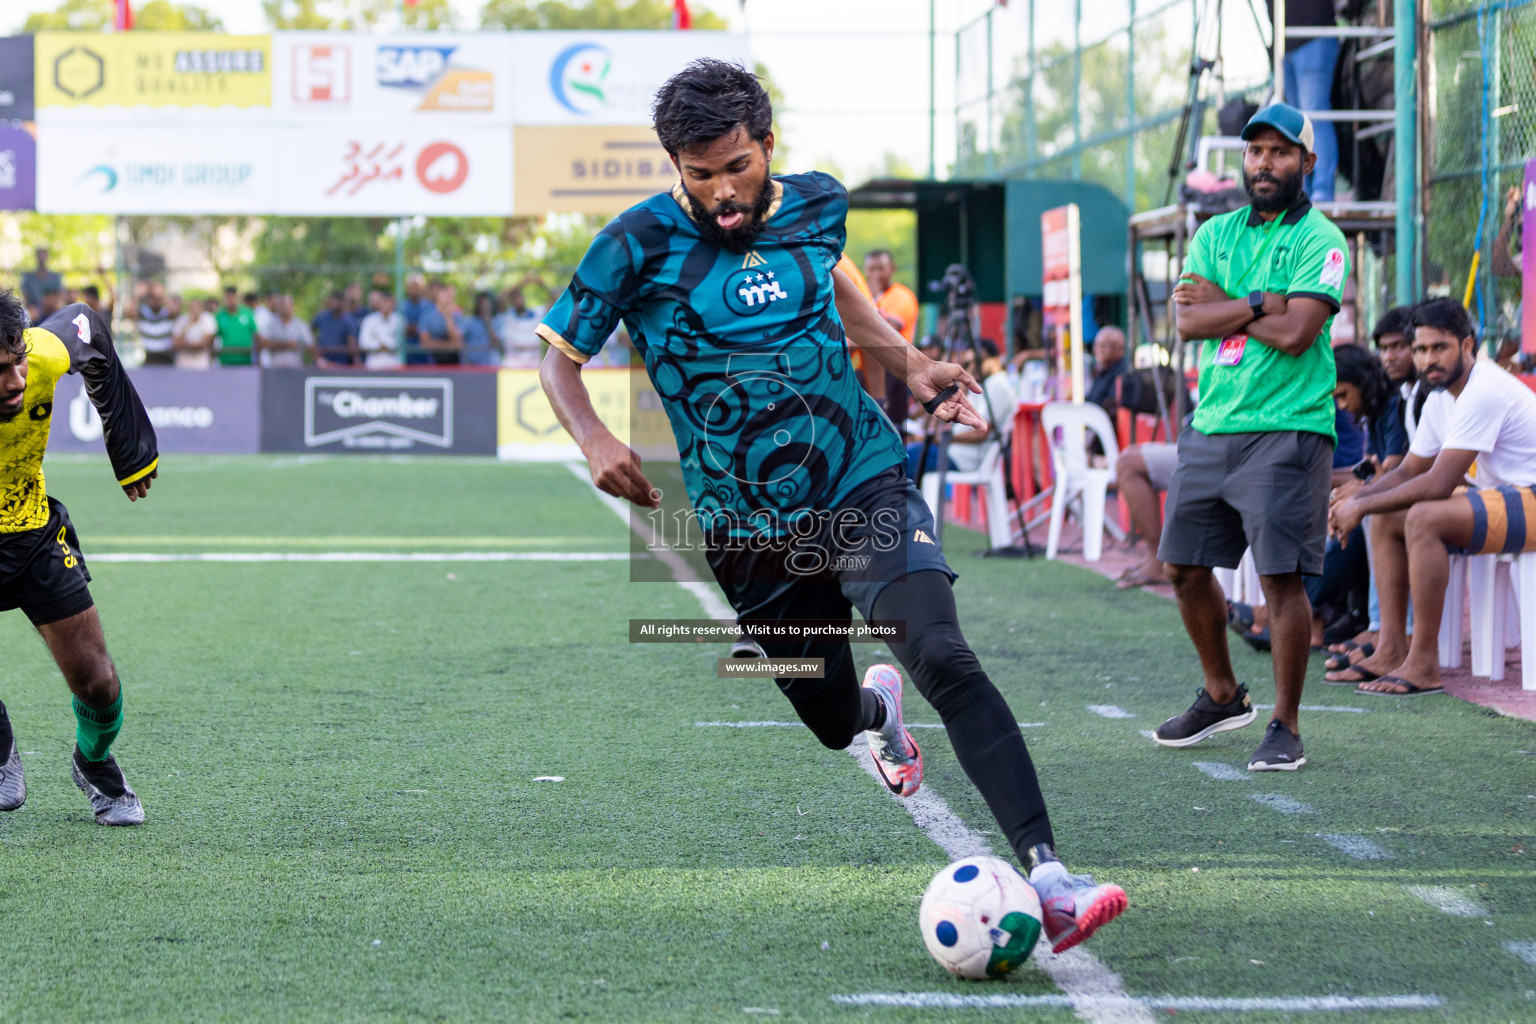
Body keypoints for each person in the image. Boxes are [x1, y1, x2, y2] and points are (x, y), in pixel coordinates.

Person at [536, 59, 1126, 951]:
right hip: (747, 531)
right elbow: (558, 359)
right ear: (675, 168)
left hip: (859, 477)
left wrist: (913, 363)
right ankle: (877, 717)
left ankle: (1050, 876)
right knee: (829, 720)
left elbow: (841, 292)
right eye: (699, 176)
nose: (722, 193)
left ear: (766, 146)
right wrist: (595, 439)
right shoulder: (634, 244)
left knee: (943, 653)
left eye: (736, 167)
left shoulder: (817, 204)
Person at [1150, 103, 1348, 771]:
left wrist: (1229, 306)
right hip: (1214, 424)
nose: (1265, 162)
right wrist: (1265, 301)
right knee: (1180, 566)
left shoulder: (1322, 239)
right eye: (1255, 151)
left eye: (1281, 152)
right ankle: (1221, 695)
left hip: (1289, 429)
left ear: (1308, 163)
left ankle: (1285, 726)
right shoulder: (1214, 233)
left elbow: (1298, 336)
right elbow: (1187, 324)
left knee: (1279, 580)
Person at [0, 290, 159, 826]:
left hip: (34, 534)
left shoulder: (43, 352)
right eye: (0, 370)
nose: (17, 381)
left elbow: (87, 323)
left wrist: (129, 442)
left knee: (98, 682)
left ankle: (92, 762)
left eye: (18, 360)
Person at [1327, 299, 1536, 695]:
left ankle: (1424, 663)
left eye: (1440, 347)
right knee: (1388, 517)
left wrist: (1360, 503)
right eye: (1421, 350)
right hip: (1506, 497)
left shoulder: (1483, 389)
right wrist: (1356, 500)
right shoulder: (1440, 398)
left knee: (1423, 516)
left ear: (1468, 346)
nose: (1428, 360)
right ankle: (1390, 648)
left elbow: (1438, 484)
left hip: (1532, 497)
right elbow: (1408, 470)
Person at [1271, 0, 1338, 202]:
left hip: (1313, 36)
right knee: (1295, 126)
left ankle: (1322, 192)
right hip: (1284, 42)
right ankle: (1303, 193)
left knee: (1315, 116)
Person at [1112, 441, 1179, 589]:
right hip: (1214, 441)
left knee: (1128, 465)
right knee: (1130, 453)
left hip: (1225, 447)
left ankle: (1159, 559)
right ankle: (1157, 556)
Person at [495, 281, 547, 369]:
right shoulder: (508, 315)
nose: (518, 300)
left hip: (533, 363)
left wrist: (541, 283)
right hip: (512, 364)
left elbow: (556, 301)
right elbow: (499, 298)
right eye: (514, 298)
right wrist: (521, 282)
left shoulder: (536, 313)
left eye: (519, 296)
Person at [259, 295, 314, 369]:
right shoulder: (271, 324)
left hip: (295, 368)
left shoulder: (300, 325)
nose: (283, 308)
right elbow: (264, 343)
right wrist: (287, 345)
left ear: (292, 307)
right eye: (280, 305)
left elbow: (310, 345)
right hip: (275, 367)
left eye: (285, 305)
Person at [1084, 326, 1129, 415]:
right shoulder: (1102, 371)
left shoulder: (1123, 374)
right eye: (1097, 345)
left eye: (1103, 345)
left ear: (1119, 348)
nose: (1098, 349)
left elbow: (1110, 408)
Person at [418, 283, 464, 366]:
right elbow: (424, 342)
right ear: (438, 295)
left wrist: (448, 317)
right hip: (433, 360)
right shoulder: (426, 314)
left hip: (454, 361)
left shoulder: (457, 314)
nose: (448, 298)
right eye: (445, 294)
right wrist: (448, 345)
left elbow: (457, 341)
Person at [312, 289, 358, 368]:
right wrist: (317, 355)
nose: (333, 304)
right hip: (322, 361)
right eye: (332, 300)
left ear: (342, 302)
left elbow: (352, 343)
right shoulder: (321, 317)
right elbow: (309, 332)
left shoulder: (349, 320)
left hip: (341, 363)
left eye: (336, 301)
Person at [214, 286, 257, 367]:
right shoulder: (219, 316)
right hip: (225, 361)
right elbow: (213, 338)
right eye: (228, 297)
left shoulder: (248, 313)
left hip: (246, 361)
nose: (230, 300)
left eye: (233, 296)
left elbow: (256, 335)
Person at [358, 291, 403, 370]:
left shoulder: (399, 320)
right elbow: (364, 343)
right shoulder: (369, 320)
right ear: (379, 304)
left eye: (389, 303)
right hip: (373, 366)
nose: (387, 305)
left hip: (394, 366)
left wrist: (379, 340)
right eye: (384, 302)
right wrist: (380, 346)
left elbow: (397, 343)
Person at [135, 282, 176, 366]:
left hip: (166, 356)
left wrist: (162, 294)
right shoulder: (144, 313)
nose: (155, 301)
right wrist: (138, 296)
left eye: (157, 299)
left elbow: (174, 311)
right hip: (149, 357)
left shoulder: (166, 313)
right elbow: (131, 312)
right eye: (152, 298)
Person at [171, 296, 217, 370]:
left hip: (200, 360)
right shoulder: (182, 320)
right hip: (183, 360)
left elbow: (204, 343)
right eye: (192, 306)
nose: (194, 309)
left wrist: (185, 344)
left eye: (196, 306)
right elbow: (176, 343)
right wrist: (188, 325)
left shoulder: (208, 319)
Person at [461, 291, 501, 367]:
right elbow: (460, 339)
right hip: (472, 365)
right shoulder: (469, 321)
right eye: (482, 304)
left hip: (491, 366)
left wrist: (488, 322)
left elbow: (497, 343)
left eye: (487, 304)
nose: (484, 306)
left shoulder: (497, 321)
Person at [400, 274, 432, 366]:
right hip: (406, 351)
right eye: (412, 286)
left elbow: (429, 329)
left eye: (417, 286)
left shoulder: (428, 306)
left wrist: (416, 329)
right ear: (407, 288)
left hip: (424, 353)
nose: (415, 289)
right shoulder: (402, 306)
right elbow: (402, 329)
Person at [20, 247, 62, 312]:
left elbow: (59, 295)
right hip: (34, 312)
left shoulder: (55, 277)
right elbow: (25, 297)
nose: (42, 257)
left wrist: (50, 303)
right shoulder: (28, 277)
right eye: (40, 254)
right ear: (36, 257)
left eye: (44, 254)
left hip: (51, 310)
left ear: (48, 256)